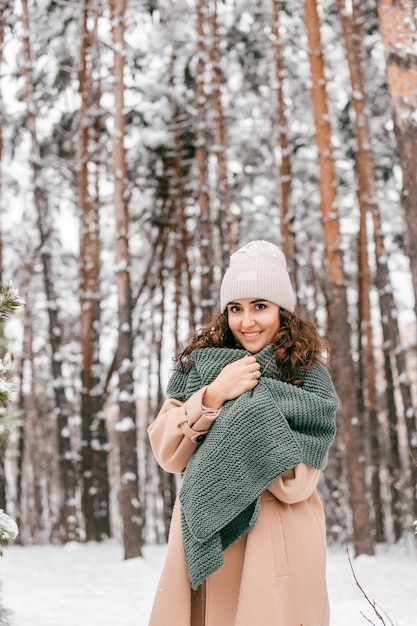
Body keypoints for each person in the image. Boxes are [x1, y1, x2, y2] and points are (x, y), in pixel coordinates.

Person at [147, 240, 339, 626]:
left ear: (282, 311)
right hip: (206, 538)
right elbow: (167, 451)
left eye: (260, 306)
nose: (246, 321)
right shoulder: (201, 369)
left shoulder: (308, 379)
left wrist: (252, 409)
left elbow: (295, 484)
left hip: (275, 547)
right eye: (236, 308)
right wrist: (215, 394)